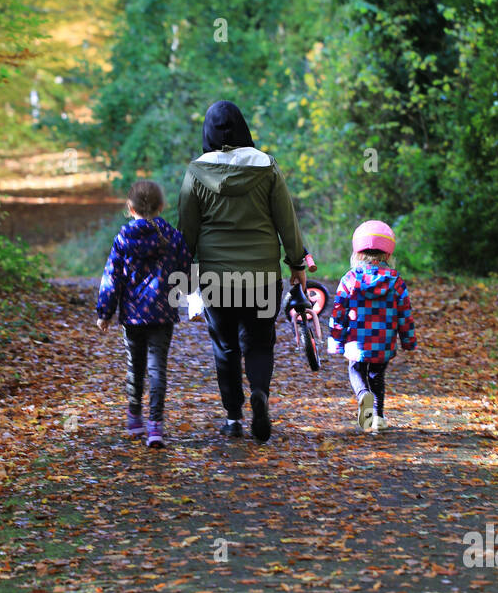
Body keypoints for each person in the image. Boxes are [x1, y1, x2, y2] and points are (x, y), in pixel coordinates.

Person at [178, 100, 307, 442]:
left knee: (225, 345)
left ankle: (234, 417)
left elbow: (187, 230)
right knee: (261, 341)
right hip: (261, 275)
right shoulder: (266, 166)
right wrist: (297, 263)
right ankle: (260, 394)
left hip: (216, 278)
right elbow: (286, 220)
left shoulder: (195, 172)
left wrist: (181, 272)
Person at [96, 179, 192, 448]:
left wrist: (105, 311)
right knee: (157, 368)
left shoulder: (124, 238)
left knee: (135, 367)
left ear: (130, 207)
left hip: (133, 316)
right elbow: (185, 270)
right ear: (162, 206)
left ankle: (135, 417)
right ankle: (155, 427)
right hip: (162, 314)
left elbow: (111, 277)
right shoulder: (173, 236)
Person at [328, 220, 417, 433]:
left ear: (357, 253)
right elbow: (405, 313)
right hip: (383, 343)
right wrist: (408, 340)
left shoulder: (350, 279)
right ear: (388, 255)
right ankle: (377, 417)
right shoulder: (395, 281)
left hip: (357, 342)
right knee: (377, 375)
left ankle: (362, 396)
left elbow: (338, 312)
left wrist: (336, 341)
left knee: (356, 369)